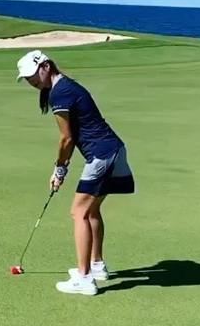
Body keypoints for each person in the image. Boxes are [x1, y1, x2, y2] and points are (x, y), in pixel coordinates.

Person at [16, 49, 135, 296]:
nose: (31, 81)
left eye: (32, 75)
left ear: (46, 66)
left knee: (78, 212)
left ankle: (84, 279)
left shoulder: (60, 92)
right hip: (114, 150)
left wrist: (59, 169)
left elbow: (66, 138)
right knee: (91, 211)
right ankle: (97, 266)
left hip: (102, 155)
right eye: (27, 78)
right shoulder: (64, 87)